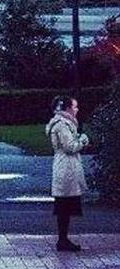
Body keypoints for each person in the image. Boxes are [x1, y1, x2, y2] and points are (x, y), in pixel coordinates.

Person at [47, 96, 89, 252]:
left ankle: (63, 239)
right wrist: (83, 140)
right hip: (66, 168)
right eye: (75, 106)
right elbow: (69, 147)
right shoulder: (62, 125)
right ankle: (62, 240)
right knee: (64, 205)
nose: (77, 109)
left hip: (65, 166)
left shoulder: (63, 124)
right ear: (67, 108)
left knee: (64, 205)